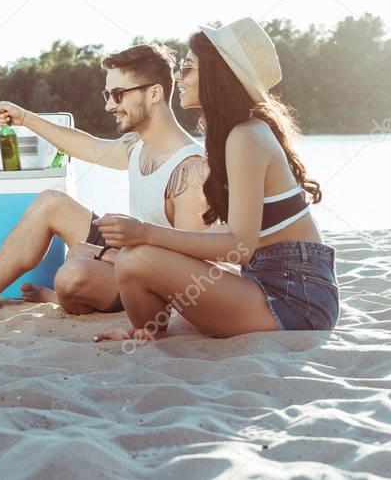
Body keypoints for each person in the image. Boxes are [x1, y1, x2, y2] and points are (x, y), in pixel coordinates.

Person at [0, 44, 209, 315]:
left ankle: (61, 295)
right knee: (52, 201)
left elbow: (187, 271)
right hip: (130, 253)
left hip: (152, 284)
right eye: (107, 95)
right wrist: (25, 118)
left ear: (154, 93)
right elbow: (89, 146)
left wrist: (105, 255)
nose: (108, 106)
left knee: (72, 276)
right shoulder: (137, 146)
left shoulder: (189, 167)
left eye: (118, 95)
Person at [93, 18, 339, 343]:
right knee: (134, 258)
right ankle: (147, 332)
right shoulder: (230, 135)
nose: (178, 77)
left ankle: (149, 333)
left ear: (216, 74)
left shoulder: (245, 137)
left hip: (297, 297)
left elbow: (240, 246)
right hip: (266, 280)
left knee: (136, 257)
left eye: (188, 68)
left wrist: (145, 232)